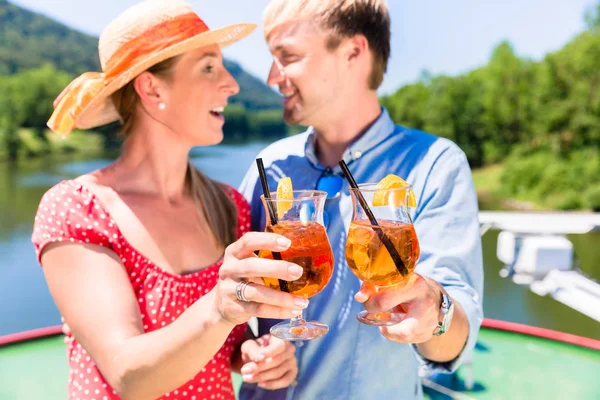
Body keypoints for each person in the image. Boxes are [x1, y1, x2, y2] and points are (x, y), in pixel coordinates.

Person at [31, 1, 301, 399]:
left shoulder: (229, 206)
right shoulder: (77, 209)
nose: (232, 84)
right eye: (208, 67)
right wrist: (218, 309)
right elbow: (129, 376)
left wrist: (254, 355)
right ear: (152, 88)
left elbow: (225, 338)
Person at [237, 0, 484, 399]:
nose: (271, 77)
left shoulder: (436, 163)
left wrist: (433, 313)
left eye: (288, 57)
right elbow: (237, 303)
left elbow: (452, 343)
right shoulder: (270, 166)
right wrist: (249, 346)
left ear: (353, 52)